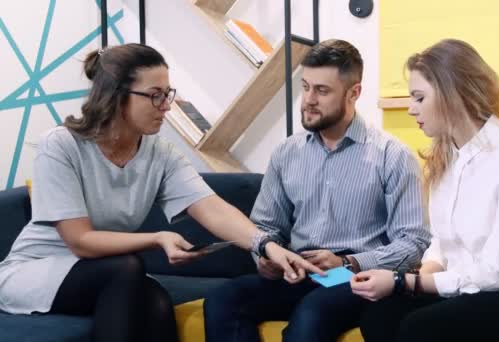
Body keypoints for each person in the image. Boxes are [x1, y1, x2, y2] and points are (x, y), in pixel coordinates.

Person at [0, 43, 322, 342]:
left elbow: (211, 207)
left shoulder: (160, 153)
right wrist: (157, 238)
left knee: (157, 305)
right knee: (128, 269)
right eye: (155, 95)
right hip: (39, 268)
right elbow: (79, 241)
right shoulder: (61, 145)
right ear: (116, 95)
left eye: (167, 93)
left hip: (109, 272)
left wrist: (265, 245)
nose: (166, 106)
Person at [351, 39, 499, 341]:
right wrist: (417, 280)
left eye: (419, 98)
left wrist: (404, 282)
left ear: (453, 95)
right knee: (380, 316)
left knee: (419, 327)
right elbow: (442, 243)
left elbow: (496, 274)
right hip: (476, 290)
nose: (411, 109)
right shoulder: (445, 159)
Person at [203, 39, 430, 342]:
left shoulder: (392, 156)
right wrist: (268, 259)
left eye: (322, 91)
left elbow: (413, 243)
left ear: (354, 93)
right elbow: (266, 225)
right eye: (306, 86)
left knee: (312, 314)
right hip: (298, 272)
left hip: (355, 276)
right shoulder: (287, 152)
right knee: (223, 300)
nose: (308, 99)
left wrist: (348, 263)